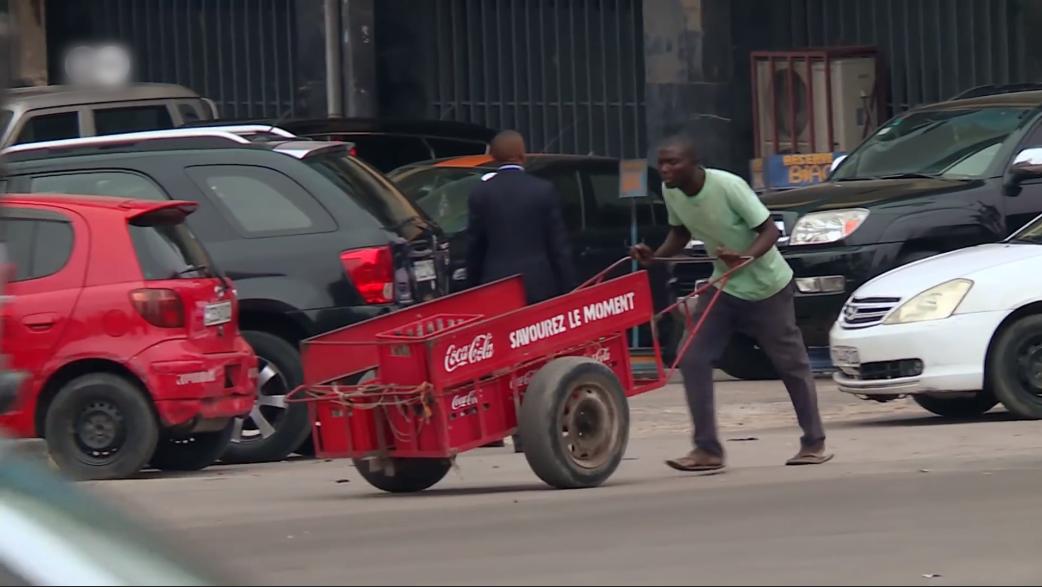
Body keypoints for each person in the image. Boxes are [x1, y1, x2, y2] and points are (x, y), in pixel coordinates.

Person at [631, 134, 831, 472]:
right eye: (661, 163)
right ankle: (707, 450)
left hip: (767, 286)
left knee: (790, 365)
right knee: (693, 358)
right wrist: (655, 256)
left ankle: (814, 442)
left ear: (694, 164)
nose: (664, 169)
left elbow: (771, 231)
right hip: (724, 286)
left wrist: (744, 258)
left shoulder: (728, 186)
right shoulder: (671, 190)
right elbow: (680, 233)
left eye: (672, 163)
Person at [466, 130, 576, 304]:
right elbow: (558, 247)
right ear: (522, 155)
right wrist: (569, 290)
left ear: (493, 156)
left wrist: (471, 287)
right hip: (538, 284)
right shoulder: (543, 190)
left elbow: (475, 248)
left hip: (495, 285)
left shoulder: (480, 193)